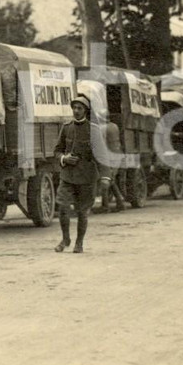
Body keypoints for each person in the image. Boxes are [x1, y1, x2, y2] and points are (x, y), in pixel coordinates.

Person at [52, 94, 98, 254]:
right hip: (67, 175)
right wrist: (64, 158)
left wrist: (105, 176)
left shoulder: (93, 130)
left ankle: (79, 242)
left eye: (79, 108)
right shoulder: (66, 127)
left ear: (85, 110)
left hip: (86, 177)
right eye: (74, 108)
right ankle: (65, 239)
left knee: (82, 211)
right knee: (63, 207)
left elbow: (101, 155)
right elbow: (57, 150)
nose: (76, 111)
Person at [92, 109, 125, 214]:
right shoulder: (114, 126)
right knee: (111, 180)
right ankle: (120, 203)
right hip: (117, 155)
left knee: (105, 180)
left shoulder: (102, 128)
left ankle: (105, 206)